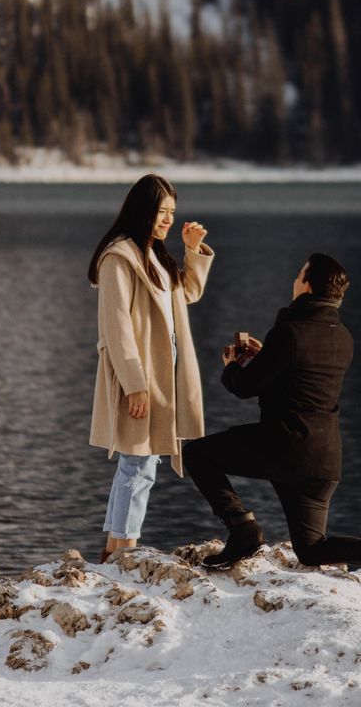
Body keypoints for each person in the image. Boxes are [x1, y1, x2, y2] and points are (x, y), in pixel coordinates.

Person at [183, 253, 361, 593]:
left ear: (307, 286)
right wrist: (265, 356)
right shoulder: (343, 336)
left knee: (196, 454)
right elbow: (299, 379)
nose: (294, 280)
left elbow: (244, 387)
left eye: (299, 275)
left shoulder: (291, 331)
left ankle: (243, 530)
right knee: (312, 548)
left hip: (285, 448)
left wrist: (232, 365)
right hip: (324, 460)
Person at [88, 174, 213, 562]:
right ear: (143, 210)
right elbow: (117, 325)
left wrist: (192, 250)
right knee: (138, 462)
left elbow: (187, 293)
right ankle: (124, 548)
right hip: (140, 374)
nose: (168, 220)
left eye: (172, 213)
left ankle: (114, 547)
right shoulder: (119, 257)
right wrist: (134, 383)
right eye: (162, 212)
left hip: (164, 375)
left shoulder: (156, 255)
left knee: (140, 460)